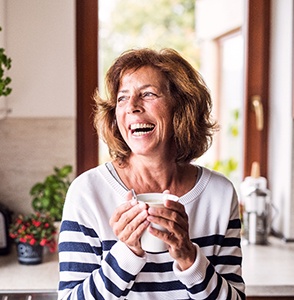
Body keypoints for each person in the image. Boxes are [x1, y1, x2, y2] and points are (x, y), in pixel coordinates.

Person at [58, 48, 245, 299]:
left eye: (148, 94)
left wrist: (189, 258)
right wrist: (126, 253)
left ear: (181, 107)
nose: (132, 107)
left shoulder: (219, 194)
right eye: (122, 98)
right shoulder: (87, 193)